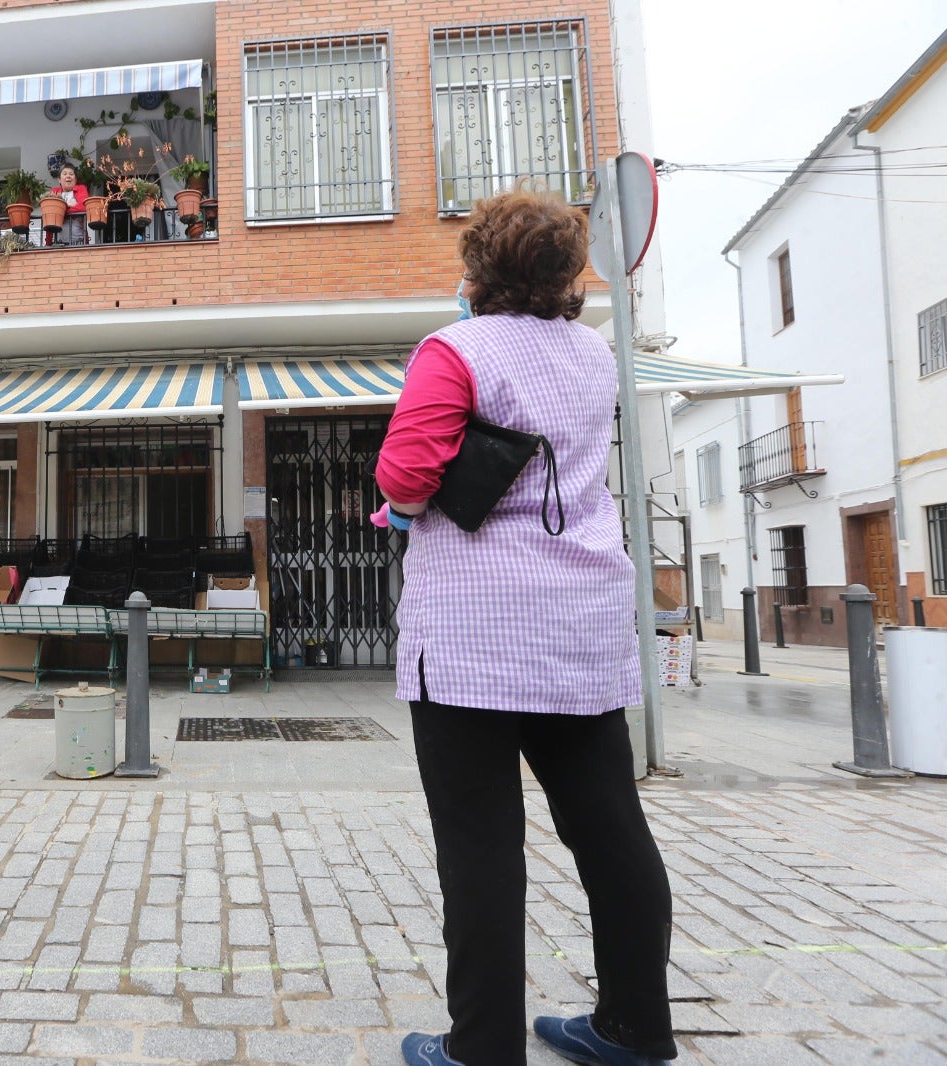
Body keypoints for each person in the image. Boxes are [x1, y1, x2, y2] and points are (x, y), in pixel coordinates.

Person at [374, 192, 675, 1066]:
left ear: (478, 268)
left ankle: (483, 1047)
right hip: (580, 626)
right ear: (565, 274)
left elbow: (405, 479)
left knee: (481, 847)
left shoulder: (454, 349)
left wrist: (398, 510)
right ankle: (635, 1027)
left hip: (473, 637)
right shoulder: (594, 357)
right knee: (612, 830)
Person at [51, 163, 90, 246]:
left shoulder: (81, 189)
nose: (68, 176)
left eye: (71, 174)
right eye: (64, 174)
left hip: (78, 241)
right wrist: (70, 206)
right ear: (59, 179)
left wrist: (61, 210)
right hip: (57, 242)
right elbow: (50, 213)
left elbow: (84, 207)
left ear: (75, 179)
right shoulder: (55, 192)